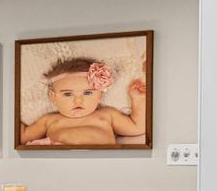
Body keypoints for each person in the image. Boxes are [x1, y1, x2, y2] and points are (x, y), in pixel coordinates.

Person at [19, 57, 148, 147]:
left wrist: (137, 99)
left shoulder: (107, 115)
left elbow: (137, 127)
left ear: (99, 95)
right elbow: (24, 136)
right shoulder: (49, 120)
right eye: (68, 94)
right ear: (53, 97)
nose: (78, 100)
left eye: (87, 93)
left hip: (100, 160)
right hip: (59, 162)